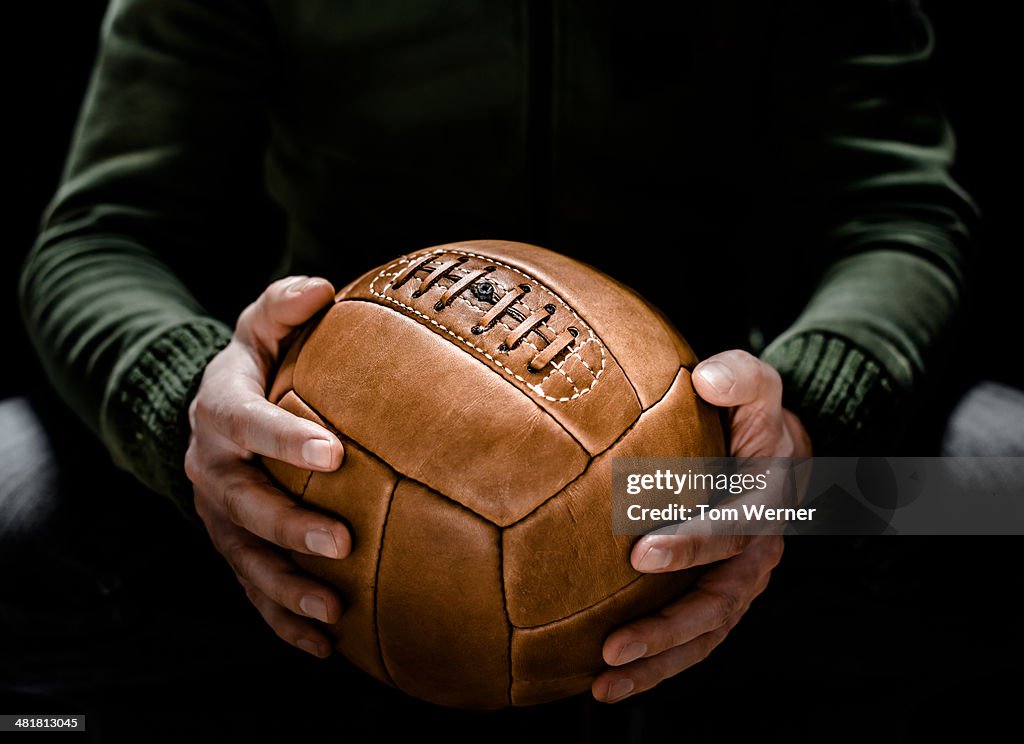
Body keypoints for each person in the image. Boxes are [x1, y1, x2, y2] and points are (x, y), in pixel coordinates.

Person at [9, 0, 988, 737]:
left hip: (707, 482)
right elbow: (97, 241)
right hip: (322, 485)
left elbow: (899, 217)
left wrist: (813, 416)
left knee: (1006, 479)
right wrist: (186, 404)